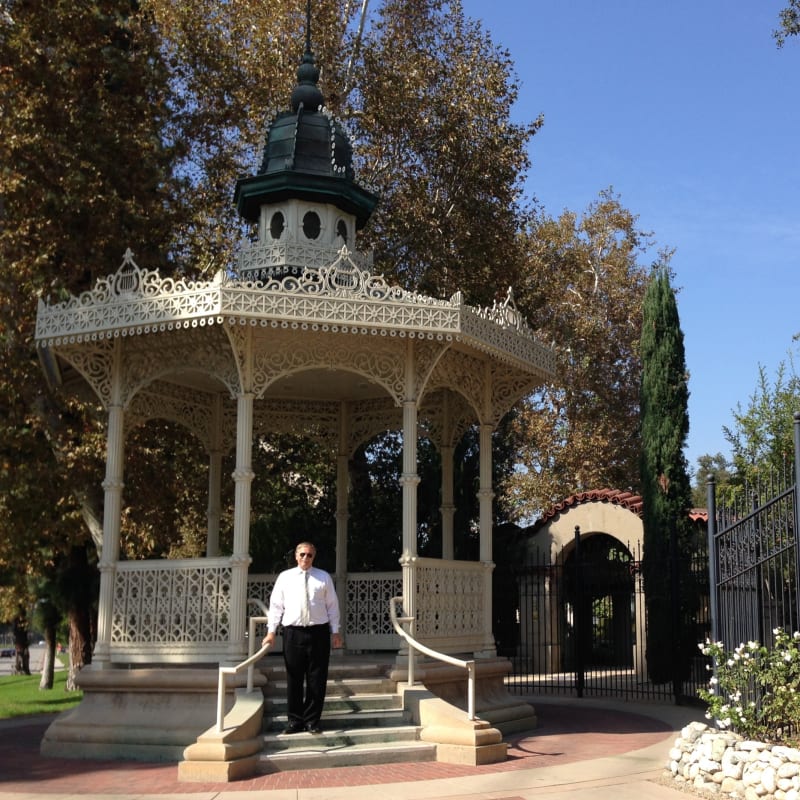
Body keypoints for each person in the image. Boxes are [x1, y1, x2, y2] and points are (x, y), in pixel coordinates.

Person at [263, 541, 342, 734]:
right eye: (302, 554)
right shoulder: (285, 578)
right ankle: (295, 721)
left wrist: (336, 631)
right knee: (294, 678)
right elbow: (276, 606)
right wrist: (271, 631)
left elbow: (332, 606)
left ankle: (312, 721)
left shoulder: (323, 577)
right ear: (296, 556)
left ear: (314, 557)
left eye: (309, 555)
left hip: (319, 632)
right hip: (293, 633)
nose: (305, 558)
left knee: (317, 678)